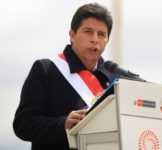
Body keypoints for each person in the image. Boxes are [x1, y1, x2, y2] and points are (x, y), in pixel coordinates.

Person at [13, 3, 116, 150]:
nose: (95, 39)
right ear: (72, 35)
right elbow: (23, 124)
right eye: (88, 31)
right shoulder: (46, 70)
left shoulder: (113, 77)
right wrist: (63, 124)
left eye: (101, 34)